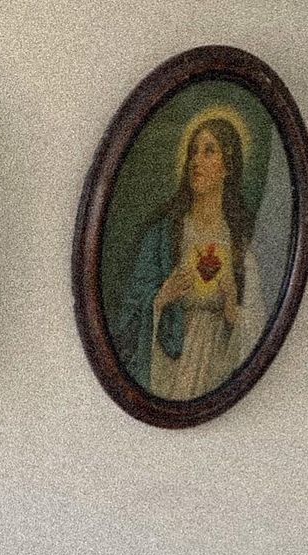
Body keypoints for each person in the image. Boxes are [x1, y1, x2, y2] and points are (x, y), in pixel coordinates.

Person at [111, 116, 267, 401]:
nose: (197, 161)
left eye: (209, 151)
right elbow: (129, 313)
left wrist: (232, 310)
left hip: (216, 371)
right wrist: (160, 298)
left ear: (228, 166)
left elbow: (259, 328)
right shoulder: (163, 234)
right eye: (193, 151)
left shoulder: (238, 245)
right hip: (169, 367)